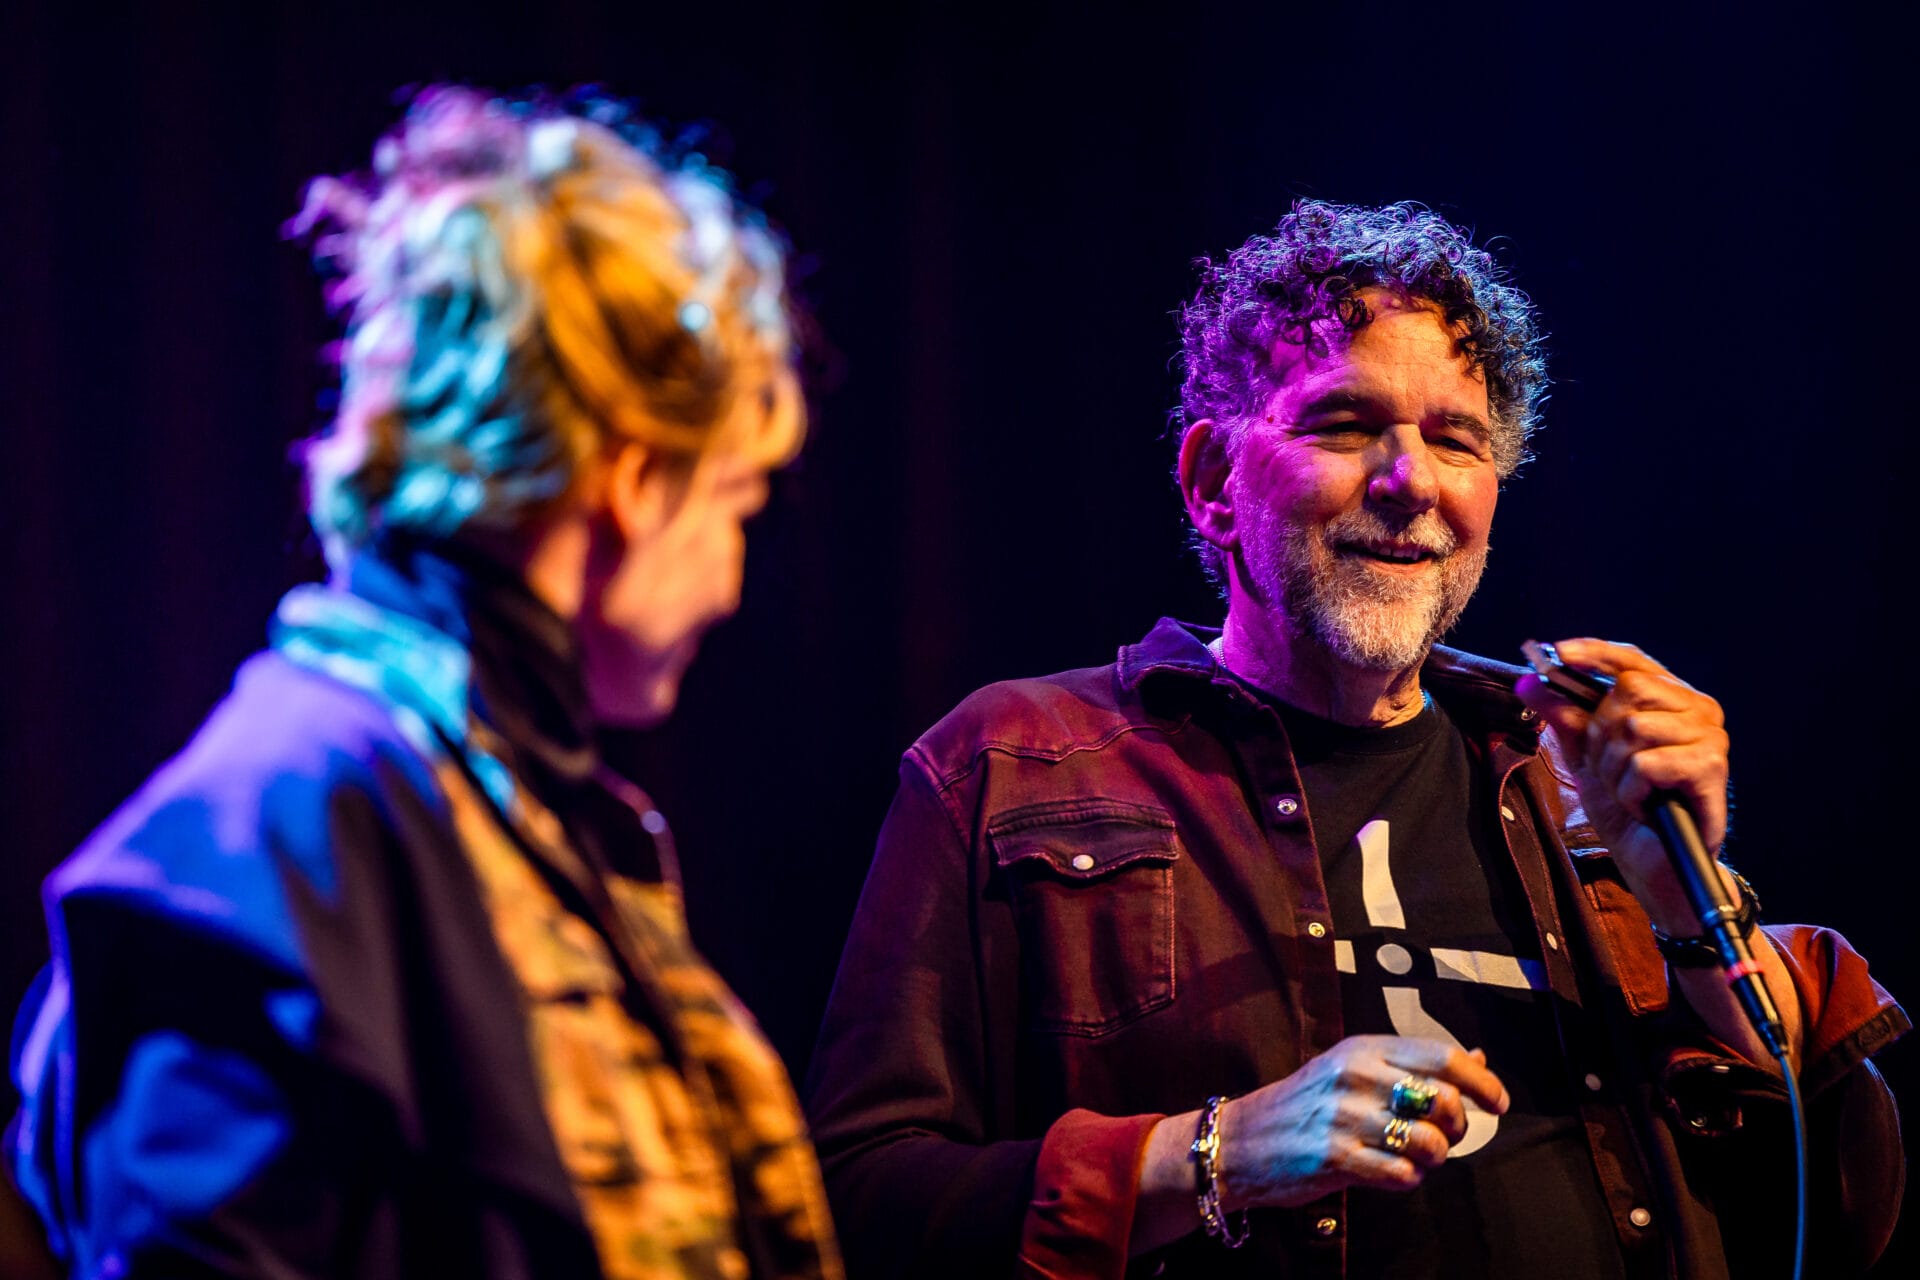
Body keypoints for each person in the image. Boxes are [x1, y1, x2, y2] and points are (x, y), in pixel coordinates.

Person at [804, 200, 1907, 1278]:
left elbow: (1835, 1197)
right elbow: (855, 1202)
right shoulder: (1010, 764)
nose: (1410, 480)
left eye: (1455, 439)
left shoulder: (1574, 776)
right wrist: (1214, 1154)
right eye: (1343, 424)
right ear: (1212, 483)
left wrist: (1686, 899)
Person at [8, 86, 841, 1280]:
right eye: (733, 502)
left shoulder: (500, 801)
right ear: (630, 476)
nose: (733, 579)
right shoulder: (286, 812)